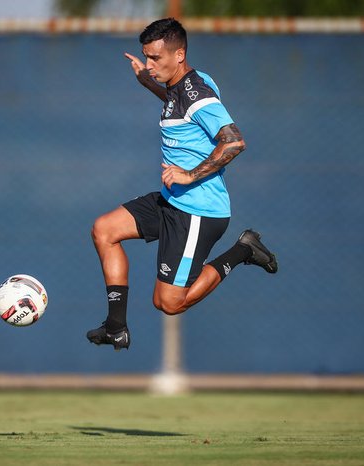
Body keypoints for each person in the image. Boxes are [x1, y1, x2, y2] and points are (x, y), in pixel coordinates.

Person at [86, 18, 277, 351]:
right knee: (104, 230)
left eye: (155, 59)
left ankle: (244, 250)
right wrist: (148, 82)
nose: (149, 64)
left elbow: (233, 142)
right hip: (172, 201)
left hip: (198, 212)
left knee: (169, 303)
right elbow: (178, 106)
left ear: (179, 54)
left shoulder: (198, 93)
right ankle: (115, 327)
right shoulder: (184, 85)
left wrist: (190, 175)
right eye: (146, 57)